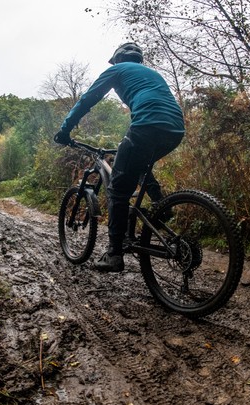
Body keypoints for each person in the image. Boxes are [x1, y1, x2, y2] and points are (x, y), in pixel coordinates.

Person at [54, 42, 185, 272]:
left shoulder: (117, 70)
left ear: (118, 59)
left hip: (147, 125)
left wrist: (65, 130)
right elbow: (153, 104)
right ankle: (161, 206)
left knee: (117, 190)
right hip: (175, 129)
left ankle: (114, 254)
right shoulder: (151, 74)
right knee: (139, 161)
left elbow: (87, 99)